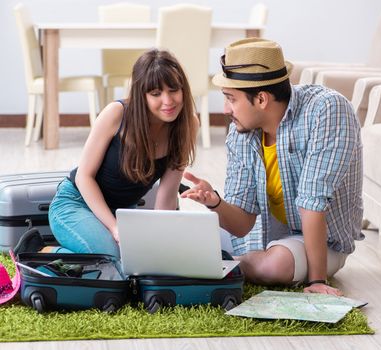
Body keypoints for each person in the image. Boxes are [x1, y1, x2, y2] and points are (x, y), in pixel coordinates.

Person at [181, 38, 363, 295]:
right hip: (262, 234)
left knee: (273, 267)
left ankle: (220, 266)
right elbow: (243, 223)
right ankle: (220, 264)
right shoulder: (241, 132)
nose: (225, 109)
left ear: (262, 99)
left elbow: (312, 202)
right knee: (182, 240)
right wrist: (215, 202)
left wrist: (316, 281)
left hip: (321, 242)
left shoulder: (327, 111)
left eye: (231, 99)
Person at [47, 49, 198, 258]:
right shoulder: (116, 114)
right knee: (112, 258)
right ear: (141, 95)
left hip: (124, 213)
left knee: (146, 260)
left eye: (174, 90)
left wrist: (162, 241)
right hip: (76, 203)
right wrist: (114, 227)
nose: (168, 101)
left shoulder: (188, 125)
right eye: (156, 94)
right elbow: (84, 177)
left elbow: (167, 197)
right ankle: (44, 252)